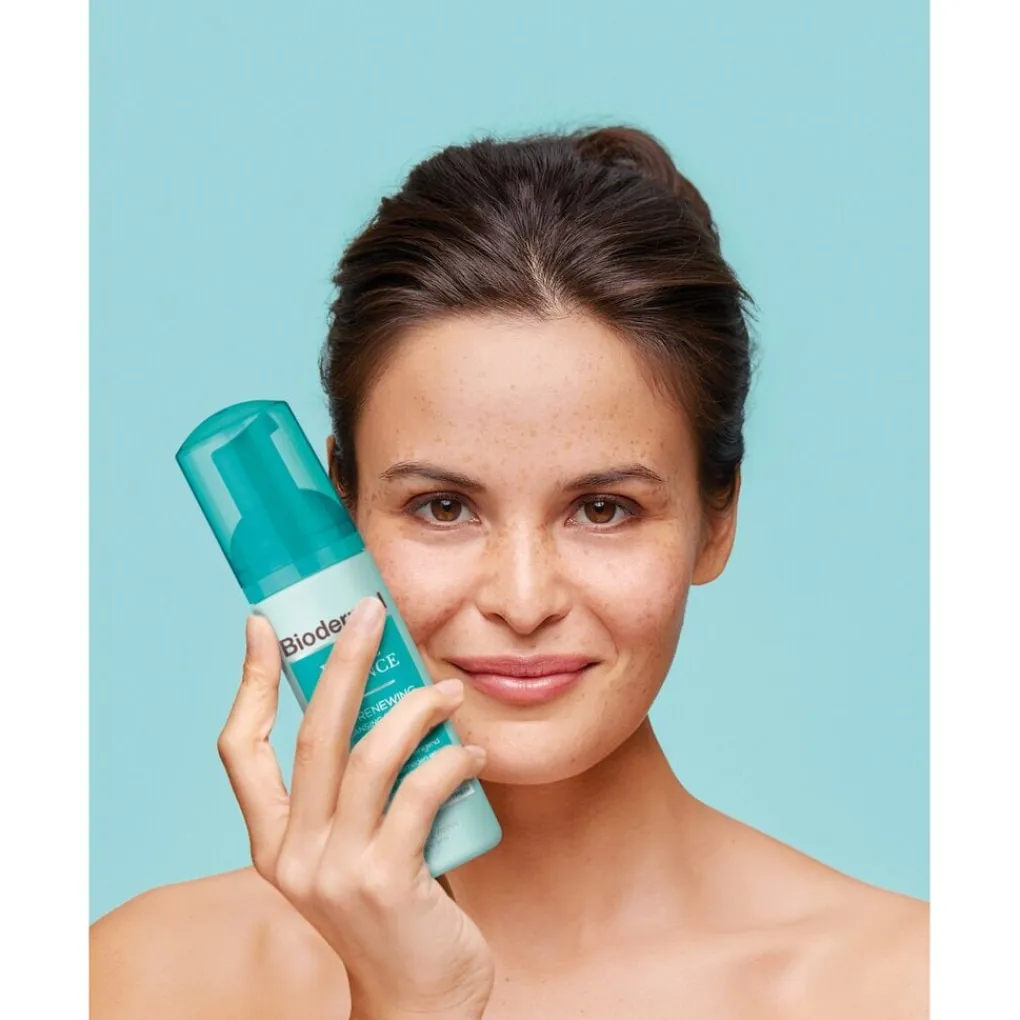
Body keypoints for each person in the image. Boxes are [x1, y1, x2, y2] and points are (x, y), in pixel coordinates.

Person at [90, 125, 929, 1019]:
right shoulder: (136, 980)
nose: (523, 603)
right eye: (443, 507)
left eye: (602, 509)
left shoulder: (909, 987)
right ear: (341, 508)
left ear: (716, 519)